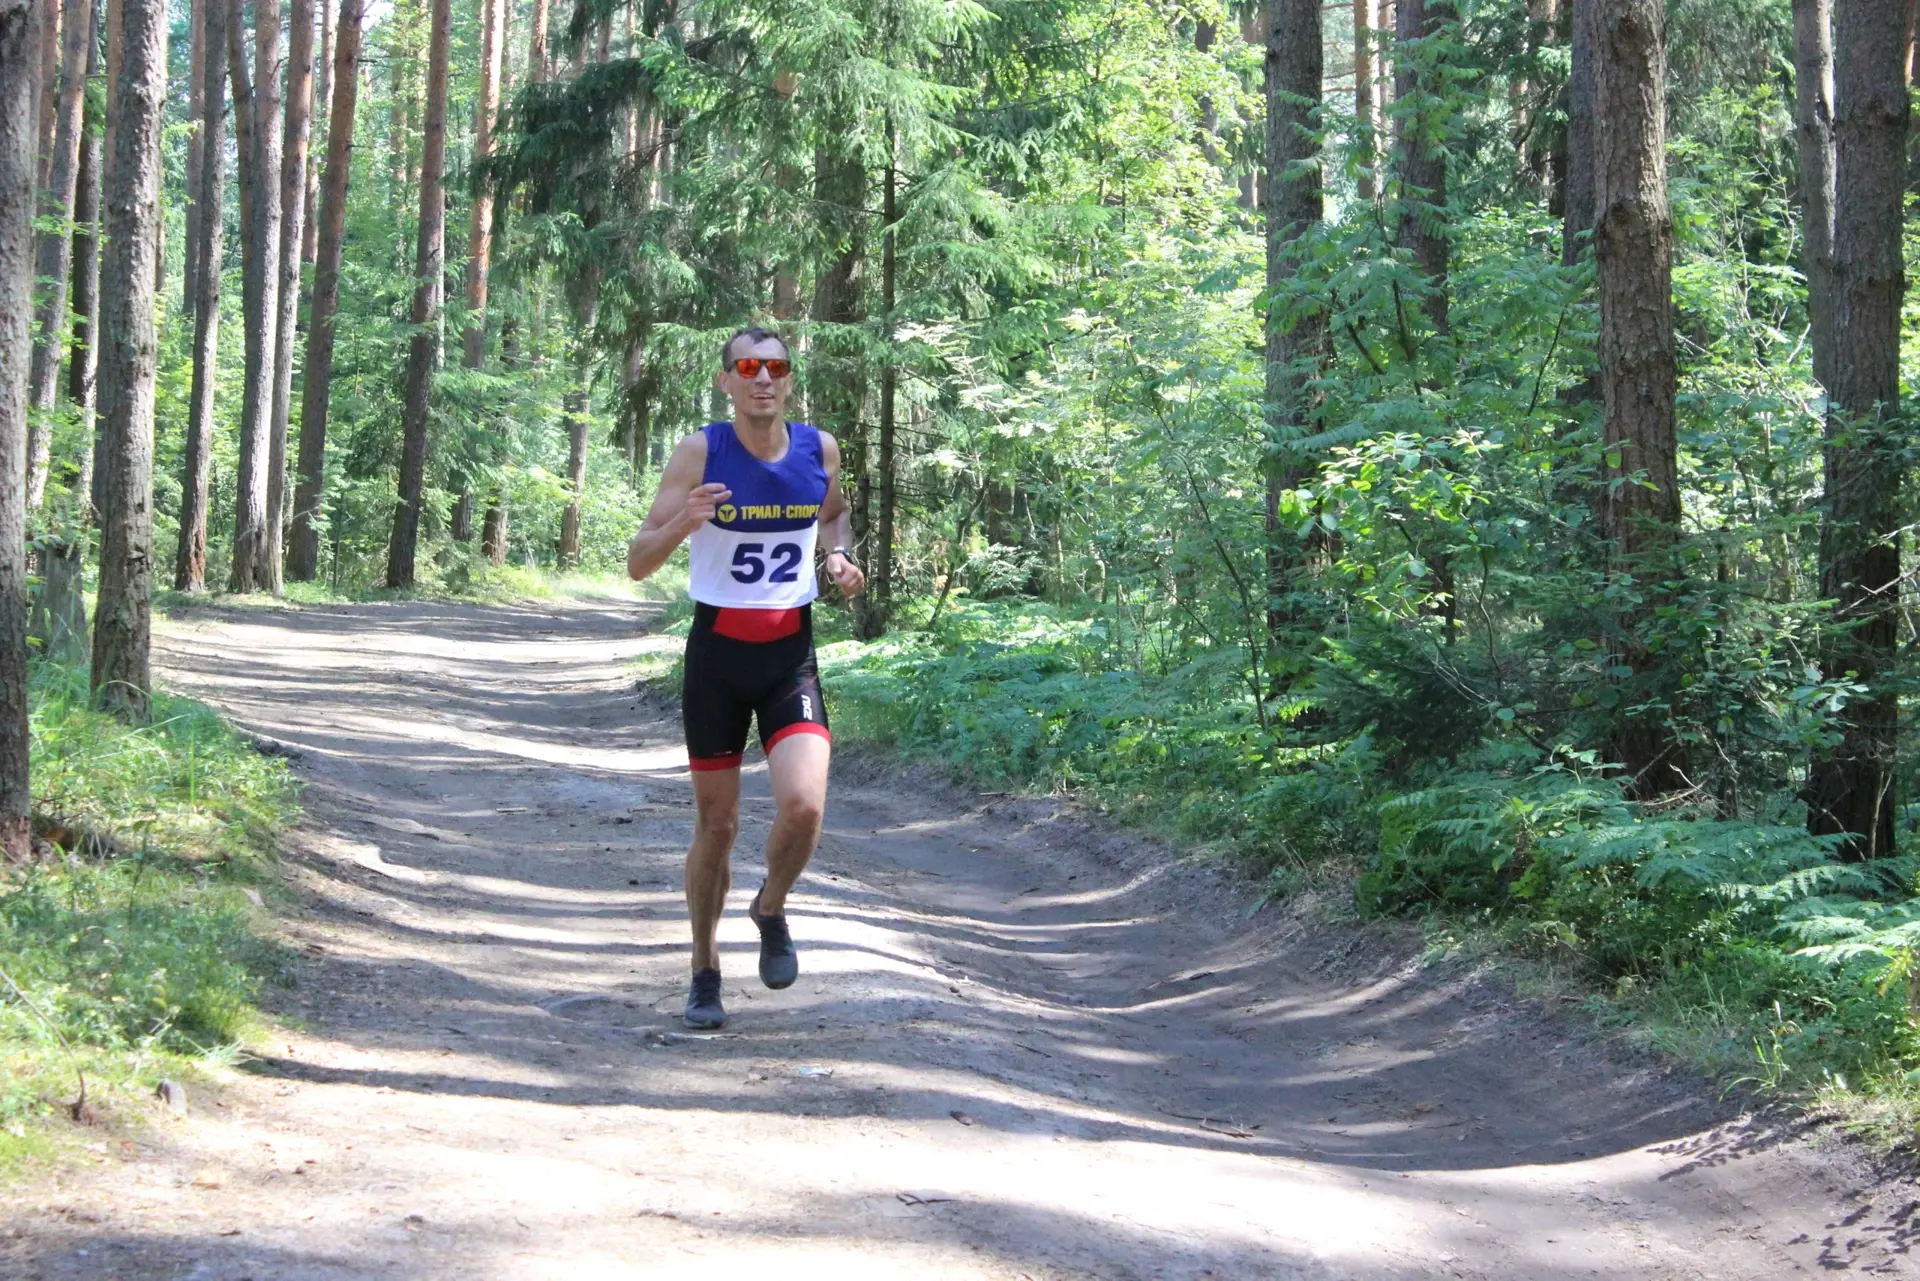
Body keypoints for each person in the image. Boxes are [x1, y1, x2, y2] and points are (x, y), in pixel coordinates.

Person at [626, 327, 865, 1029]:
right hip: (717, 661)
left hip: (789, 655)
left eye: (776, 367)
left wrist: (839, 556)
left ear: (789, 378)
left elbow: (835, 514)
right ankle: (704, 969)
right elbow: (638, 561)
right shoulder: (701, 452)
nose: (764, 378)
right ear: (726, 380)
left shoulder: (819, 450)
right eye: (749, 367)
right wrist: (685, 521)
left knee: (805, 807)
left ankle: (770, 907)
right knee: (718, 825)